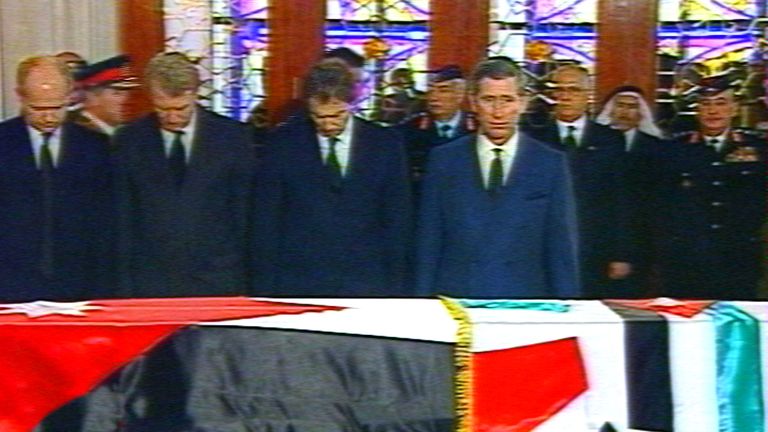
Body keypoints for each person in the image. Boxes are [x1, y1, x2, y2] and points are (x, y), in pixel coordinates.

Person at [415, 57, 580, 298]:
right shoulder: (444, 160)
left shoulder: (550, 163)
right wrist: (423, 303)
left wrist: (567, 308)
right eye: (489, 100)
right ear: (473, 102)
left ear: (523, 102)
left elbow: (561, 246)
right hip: (458, 300)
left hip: (526, 302)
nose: (498, 112)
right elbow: (429, 241)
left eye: (507, 100)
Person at [253, 60, 412, 297]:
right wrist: (264, 289)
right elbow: (266, 220)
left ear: (352, 103)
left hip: (368, 283)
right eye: (319, 117)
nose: (328, 124)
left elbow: (397, 220)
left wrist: (399, 288)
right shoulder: (282, 144)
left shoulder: (385, 144)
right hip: (298, 282)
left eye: (337, 115)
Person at [114, 52, 254, 298]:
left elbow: (243, 214)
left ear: (195, 93)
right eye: (162, 109)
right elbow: (123, 219)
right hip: (150, 283)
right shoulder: (129, 141)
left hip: (218, 279)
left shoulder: (232, 138)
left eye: (181, 108)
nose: (172, 117)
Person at [0, 56, 113, 302]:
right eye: (38, 109)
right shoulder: (3, 142)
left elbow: (105, 223)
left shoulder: (95, 147)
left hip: (81, 286)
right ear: (20, 96)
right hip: (10, 285)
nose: (48, 117)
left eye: (57, 108)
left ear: (70, 97)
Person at [651, 76, 766, 299]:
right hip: (687, 257)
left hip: (739, 254)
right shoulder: (673, 149)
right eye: (706, 104)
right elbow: (659, 202)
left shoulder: (758, 148)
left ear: (735, 108)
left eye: (721, 103)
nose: (713, 111)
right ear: (697, 110)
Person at [524, 65, 633, 298]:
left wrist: (620, 253)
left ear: (587, 95)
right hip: (544, 244)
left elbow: (620, 198)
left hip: (594, 244)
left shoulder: (609, 139)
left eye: (573, 89)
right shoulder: (534, 137)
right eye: (559, 90)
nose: (565, 96)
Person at [596, 85, 665, 296]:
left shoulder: (656, 147)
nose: (625, 112)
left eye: (632, 107)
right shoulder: (595, 141)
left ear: (641, 112)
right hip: (600, 237)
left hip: (641, 238)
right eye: (620, 106)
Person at [398, 65, 476, 190]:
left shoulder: (478, 128)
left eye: (443, 90)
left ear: (460, 95)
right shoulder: (409, 130)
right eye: (431, 91)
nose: (434, 98)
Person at [69, 55, 139, 137]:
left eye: (130, 93)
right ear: (92, 97)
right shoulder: (76, 134)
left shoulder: (130, 133)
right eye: (117, 93)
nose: (127, 100)